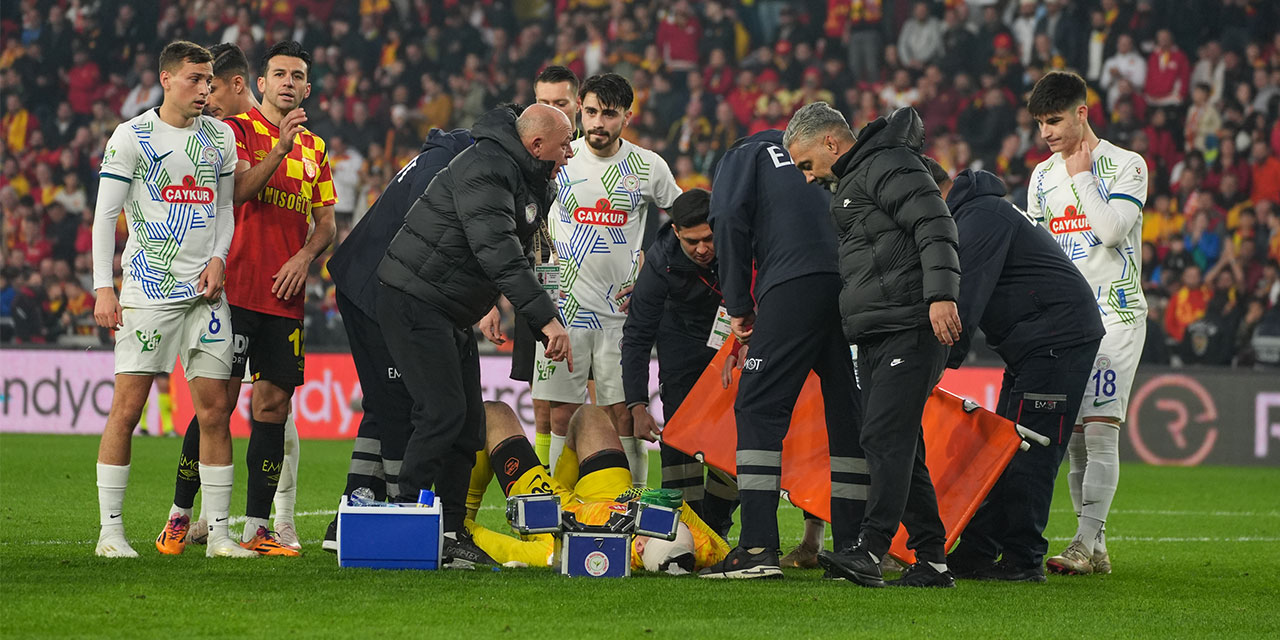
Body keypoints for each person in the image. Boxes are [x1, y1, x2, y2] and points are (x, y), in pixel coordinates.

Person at [376, 103, 574, 562]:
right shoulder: (488, 167)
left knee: (467, 425)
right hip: (415, 298)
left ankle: (449, 534)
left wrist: (487, 304)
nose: (570, 151)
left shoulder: (523, 173)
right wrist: (545, 320)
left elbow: (509, 251)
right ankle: (405, 517)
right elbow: (499, 251)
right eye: (564, 143)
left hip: (448, 305)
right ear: (537, 144)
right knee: (442, 413)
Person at [170, 40, 337, 557]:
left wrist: (305, 257)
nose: (288, 82)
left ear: (308, 88)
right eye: (279, 74)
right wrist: (279, 150)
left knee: (274, 406)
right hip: (234, 292)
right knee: (216, 405)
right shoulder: (233, 132)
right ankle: (179, 515)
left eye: (298, 75)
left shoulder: (317, 148)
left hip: (283, 298)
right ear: (260, 84)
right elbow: (239, 191)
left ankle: (258, 527)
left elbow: (326, 222)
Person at [785, 102, 960, 588]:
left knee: (882, 436)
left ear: (831, 143)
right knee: (903, 444)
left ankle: (871, 547)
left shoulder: (886, 163)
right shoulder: (861, 175)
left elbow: (936, 224)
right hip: (881, 329)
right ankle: (933, 561)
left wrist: (943, 294)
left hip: (912, 324)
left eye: (805, 164)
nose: (806, 177)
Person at [92, 40, 254, 559]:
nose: (205, 88)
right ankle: (111, 532)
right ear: (165, 80)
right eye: (194, 79)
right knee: (127, 410)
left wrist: (220, 258)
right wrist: (103, 286)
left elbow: (225, 210)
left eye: (209, 80)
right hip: (148, 294)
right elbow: (103, 217)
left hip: (206, 298)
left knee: (214, 414)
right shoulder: (132, 136)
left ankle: (221, 536)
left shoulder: (219, 138)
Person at [696, 127, 867, 581]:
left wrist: (737, 305)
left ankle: (756, 547)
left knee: (757, 406)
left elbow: (729, 216)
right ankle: (853, 549)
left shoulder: (742, 153)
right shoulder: (820, 159)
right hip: (850, 286)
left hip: (793, 284)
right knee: (848, 415)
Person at [930, 163, 1104, 583]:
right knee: (1003, 447)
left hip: (1056, 339)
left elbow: (962, 302)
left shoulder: (979, 218)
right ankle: (978, 550)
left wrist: (930, 369)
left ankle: (1023, 558)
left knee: (1031, 448)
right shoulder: (976, 214)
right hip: (1034, 342)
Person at [320, 126, 475, 552]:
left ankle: (353, 510)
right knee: (399, 403)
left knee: (382, 402)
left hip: (362, 282)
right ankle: (398, 518)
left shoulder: (438, 158)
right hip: (380, 292)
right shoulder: (451, 170)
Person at [1026, 71, 1148, 576]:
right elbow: (1037, 250)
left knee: (1099, 431)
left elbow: (1112, 230)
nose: (1046, 134)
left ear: (1082, 111)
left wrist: (1080, 178)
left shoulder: (1127, 165)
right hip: (1071, 321)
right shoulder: (1039, 177)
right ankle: (1094, 548)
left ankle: (1081, 541)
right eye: (1039, 124)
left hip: (1117, 313)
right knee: (1074, 437)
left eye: (1054, 121)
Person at [534, 73, 682, 487]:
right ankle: (555, 503)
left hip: (622, 317)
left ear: (627, 117)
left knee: (625, 412)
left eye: (610, 115)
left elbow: (686, 221)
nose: (598, 123)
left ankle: (631, 502)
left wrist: (654, 274)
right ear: (580, 107)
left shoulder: (648, 166)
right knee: (560, 411)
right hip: (562, 313)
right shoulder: (557, 159)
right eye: (592, 112)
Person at [463, 401, 730, 572]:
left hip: (558, 516)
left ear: (637, 548)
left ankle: (462, 514)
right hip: (612, 493)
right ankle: (562, 481)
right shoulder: (696, 549)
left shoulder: (570, 551)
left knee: (494, 414)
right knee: (588, 415)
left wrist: (454, 528)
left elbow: (494, 544)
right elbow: (692, 520)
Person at [479, 65, 582, 468]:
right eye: (544, 103)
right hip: (539, 292)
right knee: (543, 407)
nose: (554, 108)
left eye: (561, 103)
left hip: (596, 306)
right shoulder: (522, 162)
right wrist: (489, 300)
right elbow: (498, 238)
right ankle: (548, 493)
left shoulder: (589, 158)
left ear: (577, 104)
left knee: (603, 409)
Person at [619, 188, 737, 537]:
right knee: (679, 441)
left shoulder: (742, 243)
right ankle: (688, 529)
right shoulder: (658, 263)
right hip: (680, 345)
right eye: (691, 242)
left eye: (708, 239)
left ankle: (715, 527)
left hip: (735, 343)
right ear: (675, 233)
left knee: (736, 441)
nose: (702, 249)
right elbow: (637, 336)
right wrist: (637, 404)